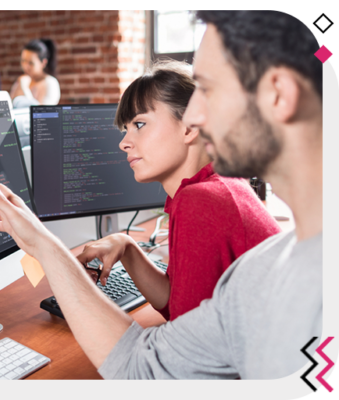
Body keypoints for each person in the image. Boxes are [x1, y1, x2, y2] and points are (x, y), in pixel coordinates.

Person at [0, 10, 322, 379]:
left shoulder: (206, 202)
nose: (196, 115)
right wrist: (131, 249)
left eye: (209, 90)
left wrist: (42, 242)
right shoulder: (220, 206)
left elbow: (154, 368)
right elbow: (184, 323)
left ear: (280, 93)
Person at [79, 60, 281, 322]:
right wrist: (128, 247)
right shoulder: (213, 185)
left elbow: (186, 343)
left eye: (139, 124)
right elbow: (176, 306)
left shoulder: (201, 201)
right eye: (125, 129)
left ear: (190, 126)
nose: (123, 143)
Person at [10, 39, 60, 106]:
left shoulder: (50, 83)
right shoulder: (21, 80)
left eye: (31, 63)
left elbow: (42, 113)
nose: (25, 66)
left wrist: (24, 88)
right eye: (23, 61)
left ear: (43, 63)